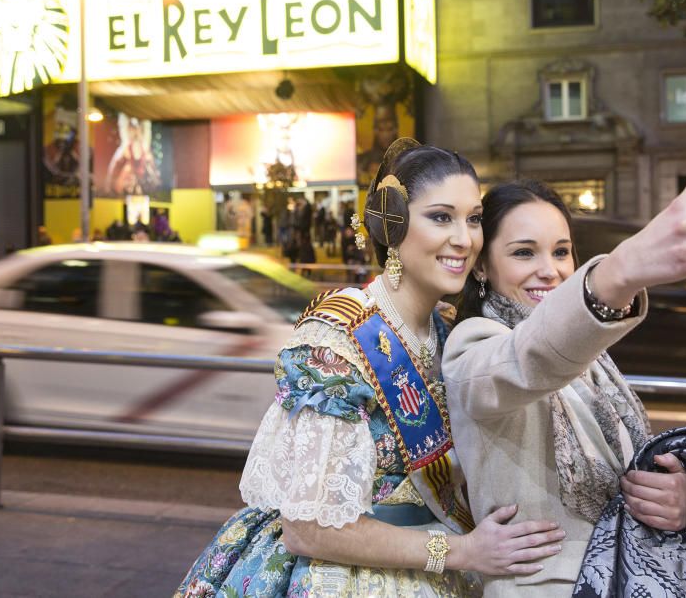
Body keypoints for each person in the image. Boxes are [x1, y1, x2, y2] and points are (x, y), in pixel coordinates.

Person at [174, 140, 565, 597]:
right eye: (441, 217)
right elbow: (306, 527)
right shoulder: (334, 339)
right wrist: (459, 553)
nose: (464, 239)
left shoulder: (451, 330)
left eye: (473, 219)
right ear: (391, 224)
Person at [442, 157, 686, 596]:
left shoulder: (590, 355)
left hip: (635, 575)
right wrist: (619, 273)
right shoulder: (476, 343)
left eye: (561, 251)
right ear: (481, 267)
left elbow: (629, 475)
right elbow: (527, 360)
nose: (550, 270)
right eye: (524, 252)